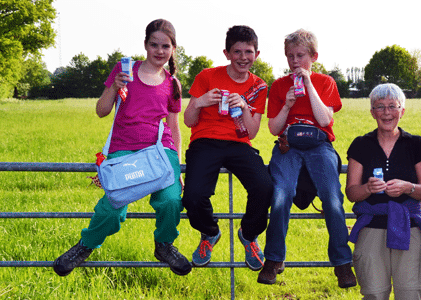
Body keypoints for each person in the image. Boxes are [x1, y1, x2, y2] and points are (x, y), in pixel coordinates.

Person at [53, 19, 191, 276]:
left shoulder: (173, 83)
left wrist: (178, 168)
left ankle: (164, 245)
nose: (159, 51)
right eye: (154, 45)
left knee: (171, 200)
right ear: (145, 45)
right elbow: (101, 111)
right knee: (113, 207)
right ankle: (85, 245)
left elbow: (173, 126)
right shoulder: (124, 70)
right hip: (124, 148)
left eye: (165, 46)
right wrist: (114, 87)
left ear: (173, 48)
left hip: (161, 151)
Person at [257, 29, 356, 288]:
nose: (294, 61)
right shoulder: (279, 85)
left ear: (314, 56)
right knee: (280, 196)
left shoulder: (326, 83)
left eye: (300, 55)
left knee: (332, 200)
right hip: (288, 144)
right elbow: (274, 129)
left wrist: (308, 84)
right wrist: (288, 105)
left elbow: (325, 120)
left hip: (319, 145)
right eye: (290, 56)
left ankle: (342, 263)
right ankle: (274, 258)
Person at [181, 25, 273, 272]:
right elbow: (188, 121)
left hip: (239, 143)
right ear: (227, 53)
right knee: (193, 196)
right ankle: (209, 232)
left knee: (265, 187)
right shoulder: (207, 76)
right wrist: (199, 102)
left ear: (257, 53)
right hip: (205, 141)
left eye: (249, 52)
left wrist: (243, 106)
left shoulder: (259, 86)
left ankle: (249, 235)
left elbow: (252, 132)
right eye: (237, 52)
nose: (243, 57)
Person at [346, 83, 421, 299]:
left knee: (410, 293)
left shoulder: (415, 144)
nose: (386, 113)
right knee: (374, 294)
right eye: (380, 107)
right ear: (372, 112)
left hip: (409, 228)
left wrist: (408, 187)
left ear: (402, 111)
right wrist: (368, 188)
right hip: (371, 229)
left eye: (392, 106)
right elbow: (351, 192)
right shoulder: (361, 144)